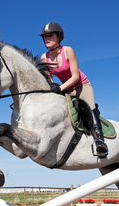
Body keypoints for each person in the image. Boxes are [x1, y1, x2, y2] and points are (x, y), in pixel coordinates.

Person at [39, 22, 108, 157]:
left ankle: (100, 142)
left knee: (89, 108)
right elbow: (50, 80)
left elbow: (75, 76)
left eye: (50, 35)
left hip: (81, 85)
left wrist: (60, 88)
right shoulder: (44, 57)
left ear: (59, 37)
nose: (47, 38)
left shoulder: (68, 50)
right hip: (65, 88)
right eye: (45, 36)